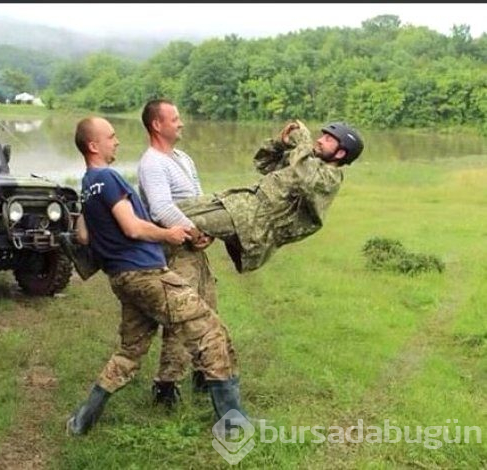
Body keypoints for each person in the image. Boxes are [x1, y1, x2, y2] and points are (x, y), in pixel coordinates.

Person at [66, 116, 250, 436]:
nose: (117, 141)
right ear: (94, 145)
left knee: (129, 352)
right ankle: (234, 427)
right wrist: (169, 233)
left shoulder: (87, 183)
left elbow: (82, 236)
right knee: (211, 333)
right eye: (111, 136)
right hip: (147, 275)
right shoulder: (109, 178)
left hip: (122, 279)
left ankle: (81, 422)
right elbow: (132, 227)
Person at [137, 99, 235, 406]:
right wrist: (194, 232)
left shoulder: (183, 158)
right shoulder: (152, 162)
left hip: (196, 249)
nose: (181, 123)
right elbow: (162, 208)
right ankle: (166, 385)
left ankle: (204, 373)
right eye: (175, 118)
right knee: (182, 315)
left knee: (207, 309)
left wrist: (208, 232)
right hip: (176, 249)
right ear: (157, 125)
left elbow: (199, 199)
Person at [175, 120, 364, 273]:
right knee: (175, 210)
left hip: (252, 224)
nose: (321, 140)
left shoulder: (329, 178)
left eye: (329, 140)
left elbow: (305, 175)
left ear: (340, 153)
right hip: (240, 204)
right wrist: (280, 143)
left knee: (180, 222)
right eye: (323, 135)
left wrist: (303, 141)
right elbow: (263, 163)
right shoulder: (308, 162)